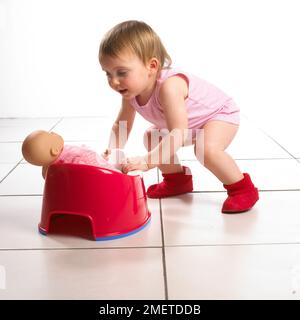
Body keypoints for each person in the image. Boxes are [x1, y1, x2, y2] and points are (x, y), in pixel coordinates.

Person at [99, 20, 259, 213]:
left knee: (206, 150)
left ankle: (242, 188)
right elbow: (121, 124)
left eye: (121, 73)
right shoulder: (130, 93)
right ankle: (177, 181)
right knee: (151, 136)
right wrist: (114, 151)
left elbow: (177, 133)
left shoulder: (170, 86)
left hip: (218, 115)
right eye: (108, 74)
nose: (114, 82)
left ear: (152, 66)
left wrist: (147, 161)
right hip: (186, 125)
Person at [22, 130, 123, 178]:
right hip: (107, 177)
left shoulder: (48, 172)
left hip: (96, 167)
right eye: (51, 135)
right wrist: (103, 161)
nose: (53, 132)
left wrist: (101, 157)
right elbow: (94, 170)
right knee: (124, 166)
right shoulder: (76, 159)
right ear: (55, 150)